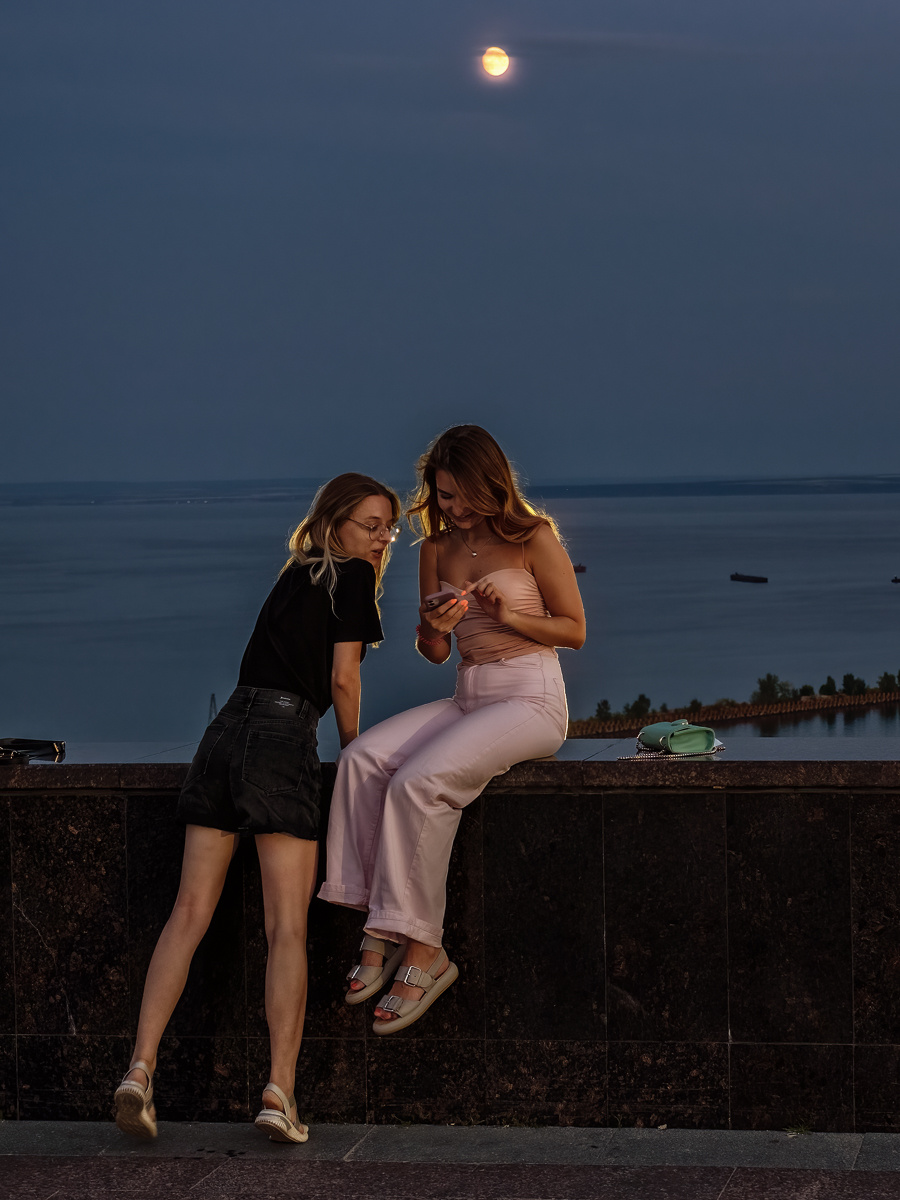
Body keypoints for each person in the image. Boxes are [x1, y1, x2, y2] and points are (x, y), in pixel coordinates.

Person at [113, 473, 401, 1143]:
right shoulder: (353, 576)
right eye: (370, 524)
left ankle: (139, 1070)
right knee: (286, 930)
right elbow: (343, 678)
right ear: (334, 524)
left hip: (223, 736)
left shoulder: (295, 574)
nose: (384, 537)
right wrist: (355, 756)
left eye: (389, 526)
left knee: (188, 912)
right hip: (281, 738)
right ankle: (279, 1091)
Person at [318, 426, 585, 1034]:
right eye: (444, 495)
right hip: (469, 694)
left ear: (493, 485)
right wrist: (432, 630)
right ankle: (380, 923)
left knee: (419, 781)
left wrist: (510, 614)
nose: (456, 507)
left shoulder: (533, 537)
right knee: (361, 759)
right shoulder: (433, 550)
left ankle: (425, 950)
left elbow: (574, 630)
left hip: (532, 696)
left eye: (465, 495)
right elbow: (436, 652)